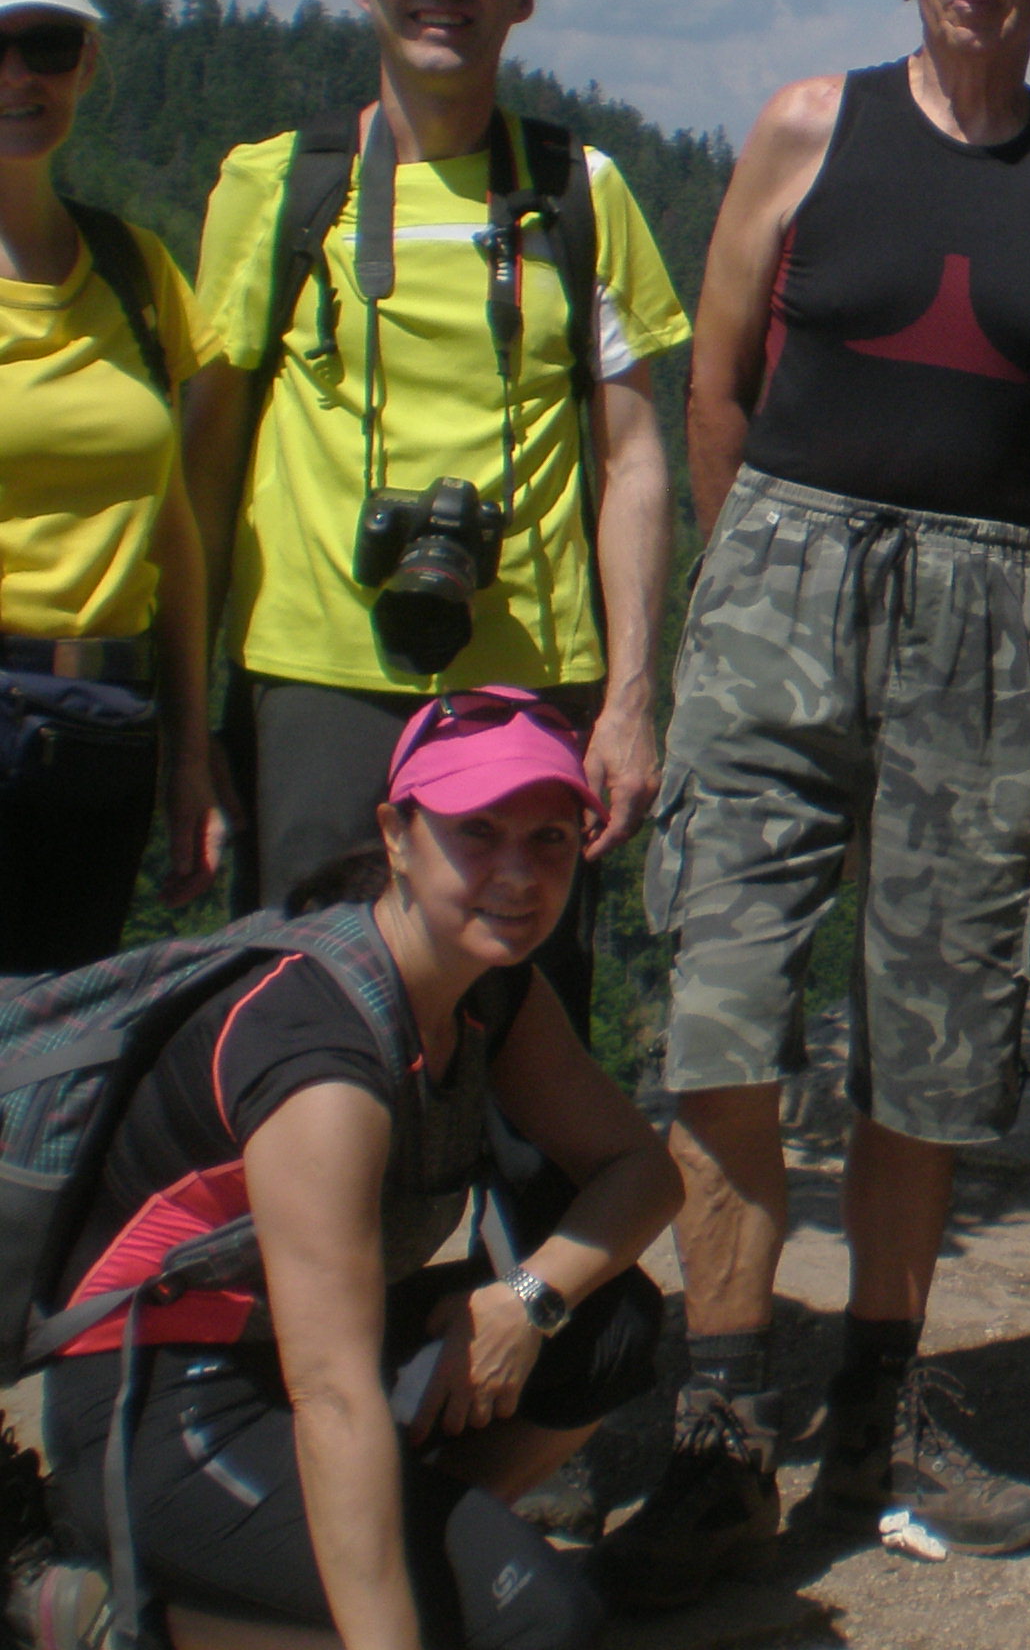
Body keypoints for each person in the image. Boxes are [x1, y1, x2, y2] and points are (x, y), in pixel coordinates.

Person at [601, 0, 1030, 1600]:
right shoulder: (804, 125)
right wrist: (740, 584)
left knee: (935, 1027)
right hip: (782, 587)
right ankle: (716, 1417)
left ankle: (882, 1403)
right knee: (722, 1007)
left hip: (994, 610)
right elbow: (713, 382)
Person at [38, 689, 682, 1650]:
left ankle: (384, 1568)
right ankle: (110, 1611)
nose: (519, 873)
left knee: (609, 1321)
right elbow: (333, 1395)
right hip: (163, 1409)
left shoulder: (493, 988)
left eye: (550, 839)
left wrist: (523, 1300)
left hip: (300, 1368)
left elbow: (642, 1171)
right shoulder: (317, 1061)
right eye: (478, 832)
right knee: (539, 1622)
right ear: (397, 835)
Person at [183, 0, 690, 998]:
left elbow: (632, 461)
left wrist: (627, 700)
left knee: (524, 1018)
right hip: (320, 671)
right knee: (309, 1014)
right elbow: (205, 470)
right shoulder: (277, 186)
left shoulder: (578, 191)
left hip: (529, 673)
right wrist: (190, 719)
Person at [0, 0, 224, 968]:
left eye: (44, 45)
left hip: (99, 733)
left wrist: (188, 752)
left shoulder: (137, 274)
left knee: (49, 1081)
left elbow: (170, 529)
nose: (15, 76)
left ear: (87, 62)